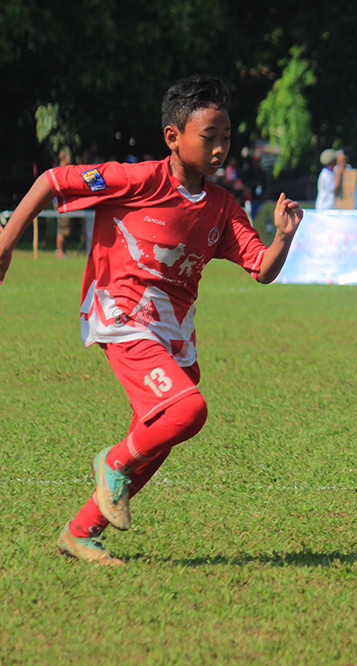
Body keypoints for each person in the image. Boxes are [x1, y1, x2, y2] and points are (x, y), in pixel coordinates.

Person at [0, 74, 304, 566]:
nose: (221, 149)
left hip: (175, 334)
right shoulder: (137, 180)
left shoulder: (223, 208)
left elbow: (262, 270)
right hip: (122, 316)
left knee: (160, 433)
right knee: (187, 412)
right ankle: (111, 462)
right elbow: (52, 181)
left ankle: (81, 532)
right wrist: (7, 240)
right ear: (173, 137)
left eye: (227, 138)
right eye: (210, 137)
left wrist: (284, 237)